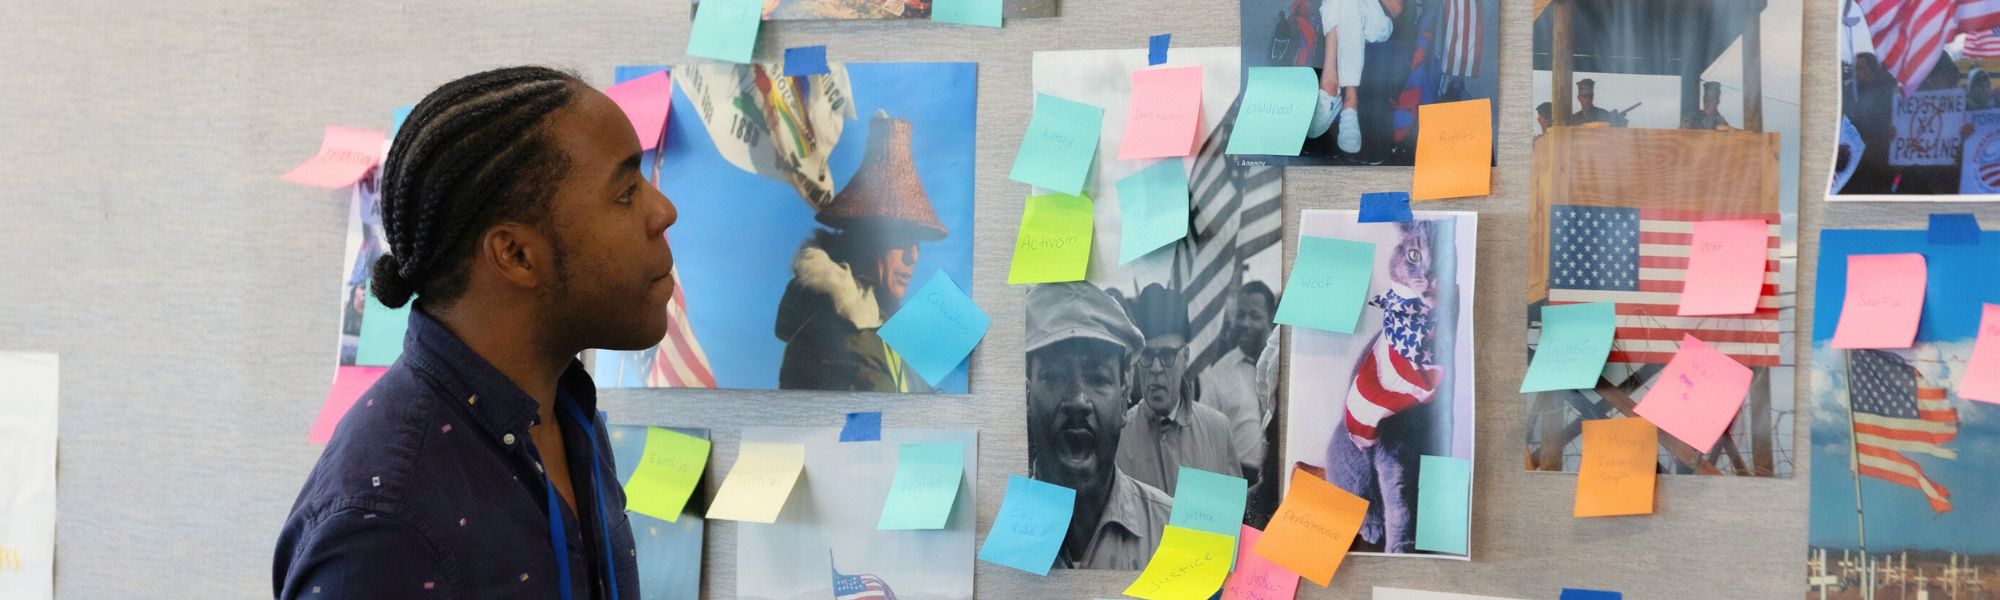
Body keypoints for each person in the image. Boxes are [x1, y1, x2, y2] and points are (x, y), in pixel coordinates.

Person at [275, 66, 673, 599]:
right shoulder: (386, 524)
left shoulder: (566, 415)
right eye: (625, 193)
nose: (664, 210)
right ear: (515, 254)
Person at [775, 111, 945, 393]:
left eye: (918, 243)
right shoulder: (830, 328)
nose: (913, 256)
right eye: (902, 238)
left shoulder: (894, 334)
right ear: (865, 239)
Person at [1025, 283, 1173, 571]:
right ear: (1027, 398)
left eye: (1098, 378)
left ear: (1124, 399)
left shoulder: (1172, 535)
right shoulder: (990, 539)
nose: (1078, 401)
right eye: (1054, 377)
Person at [1115, 284, 1243, 496]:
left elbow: (1232, 522)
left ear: (1184, 358)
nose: (1156, 368)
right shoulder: (1118, 436)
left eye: (1167, 355)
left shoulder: (1217, 430)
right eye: (1147, 356)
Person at [1197, 282, 1277, 482]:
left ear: (1272, 317)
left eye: (1255, 316)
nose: (1245, 323)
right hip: (1238, 478)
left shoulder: (1287, 365)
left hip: (1282, 476)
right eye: (1240, 315)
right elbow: (1204, 438)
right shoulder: (1219, 373)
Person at [1314, 0, 1402, 154]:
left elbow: (1396, 9)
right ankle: (1349, 103)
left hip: (1379, 22)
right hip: (1349, 13)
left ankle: (1329, 87)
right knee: (1347, 4)